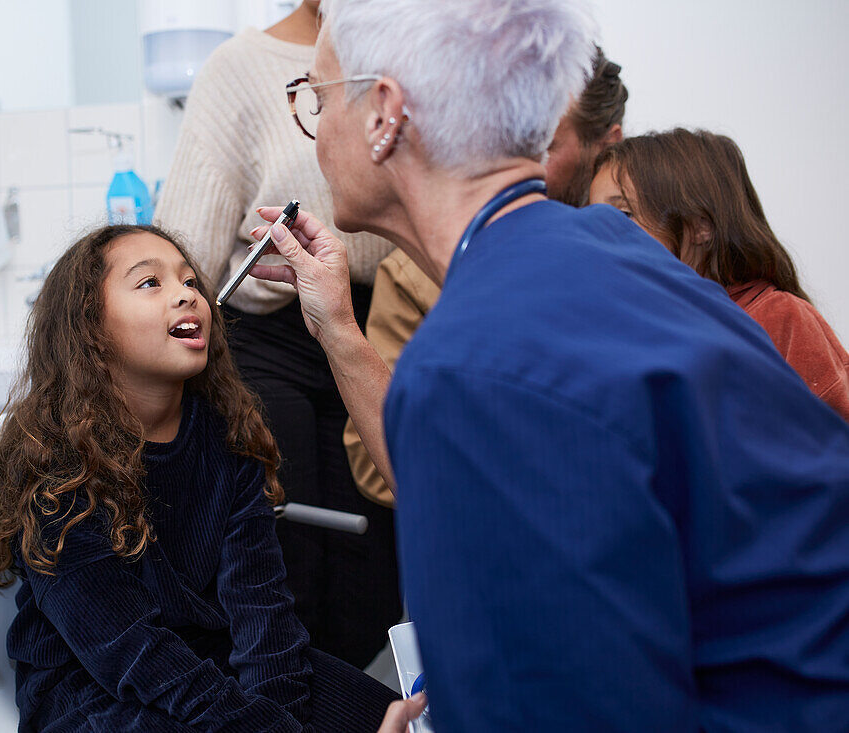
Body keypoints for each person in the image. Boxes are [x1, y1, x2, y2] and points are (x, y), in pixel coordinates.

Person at [245, 0, 849, 730]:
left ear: (383, 114)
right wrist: (338, 325)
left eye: (316, 97)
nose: (311, 132)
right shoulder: (619, 255)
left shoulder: (472, 364)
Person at [0, 224, 398, 732]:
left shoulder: (231, 438)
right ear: (89, 326)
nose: (186, 294)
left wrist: (278, 713)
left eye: (191, 281)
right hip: (91, 687)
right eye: (150, 283)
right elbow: (125, 648)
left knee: (384, 718)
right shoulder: (58, 462)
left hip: (211, 666)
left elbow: (263, 616)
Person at [153, 0, 402, 669]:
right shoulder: (240, 69)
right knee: (287, 567)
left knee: (374, 576)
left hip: (379, 322)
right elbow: (186, 245)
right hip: (272, 339)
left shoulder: (402, 55)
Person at [344, 47, 628, 506]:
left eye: (546, 144)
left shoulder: (649, 260)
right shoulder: (412, 273)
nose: (522, 164)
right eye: (513, 140)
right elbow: (373, 463)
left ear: (607, 144)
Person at [589, 128, 849, 422]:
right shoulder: (617, 326)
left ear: (701, 226)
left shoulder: (779, 319)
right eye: (590, 216)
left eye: (623, 214)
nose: (595, 232)